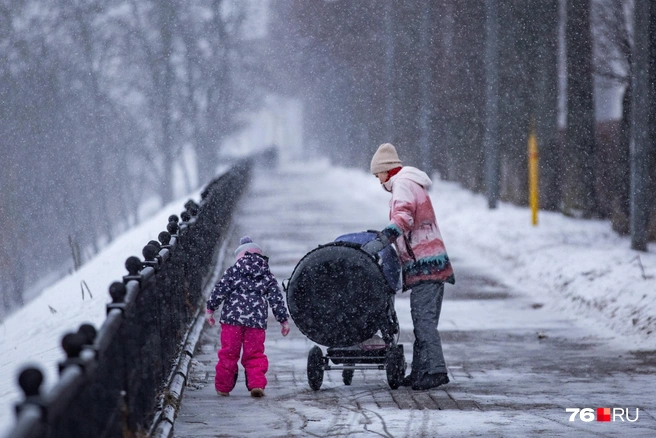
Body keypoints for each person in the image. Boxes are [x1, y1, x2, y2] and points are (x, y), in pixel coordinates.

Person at [362, 143, 455, 391]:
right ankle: (420, 371)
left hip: (426, 265)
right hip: (427, 264)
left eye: (377, 175)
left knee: (424, 321)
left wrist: (383, 239)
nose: (377, 180)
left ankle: (435, 371)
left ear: (386, 170)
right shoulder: (409, 182)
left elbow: (404, 218)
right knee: (422, 320)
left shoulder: (402, 183)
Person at [205, 236, 291, 398]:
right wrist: (283, 321)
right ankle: (257, 385)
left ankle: (223, 387)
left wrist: (210, 310)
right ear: (259, 256)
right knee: (255, 354)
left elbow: (219, 290)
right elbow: (276, 299)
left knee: (228, 353)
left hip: (232, 320)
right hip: (256, 322)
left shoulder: (233, 271)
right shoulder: (266, 274)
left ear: (240, 256)